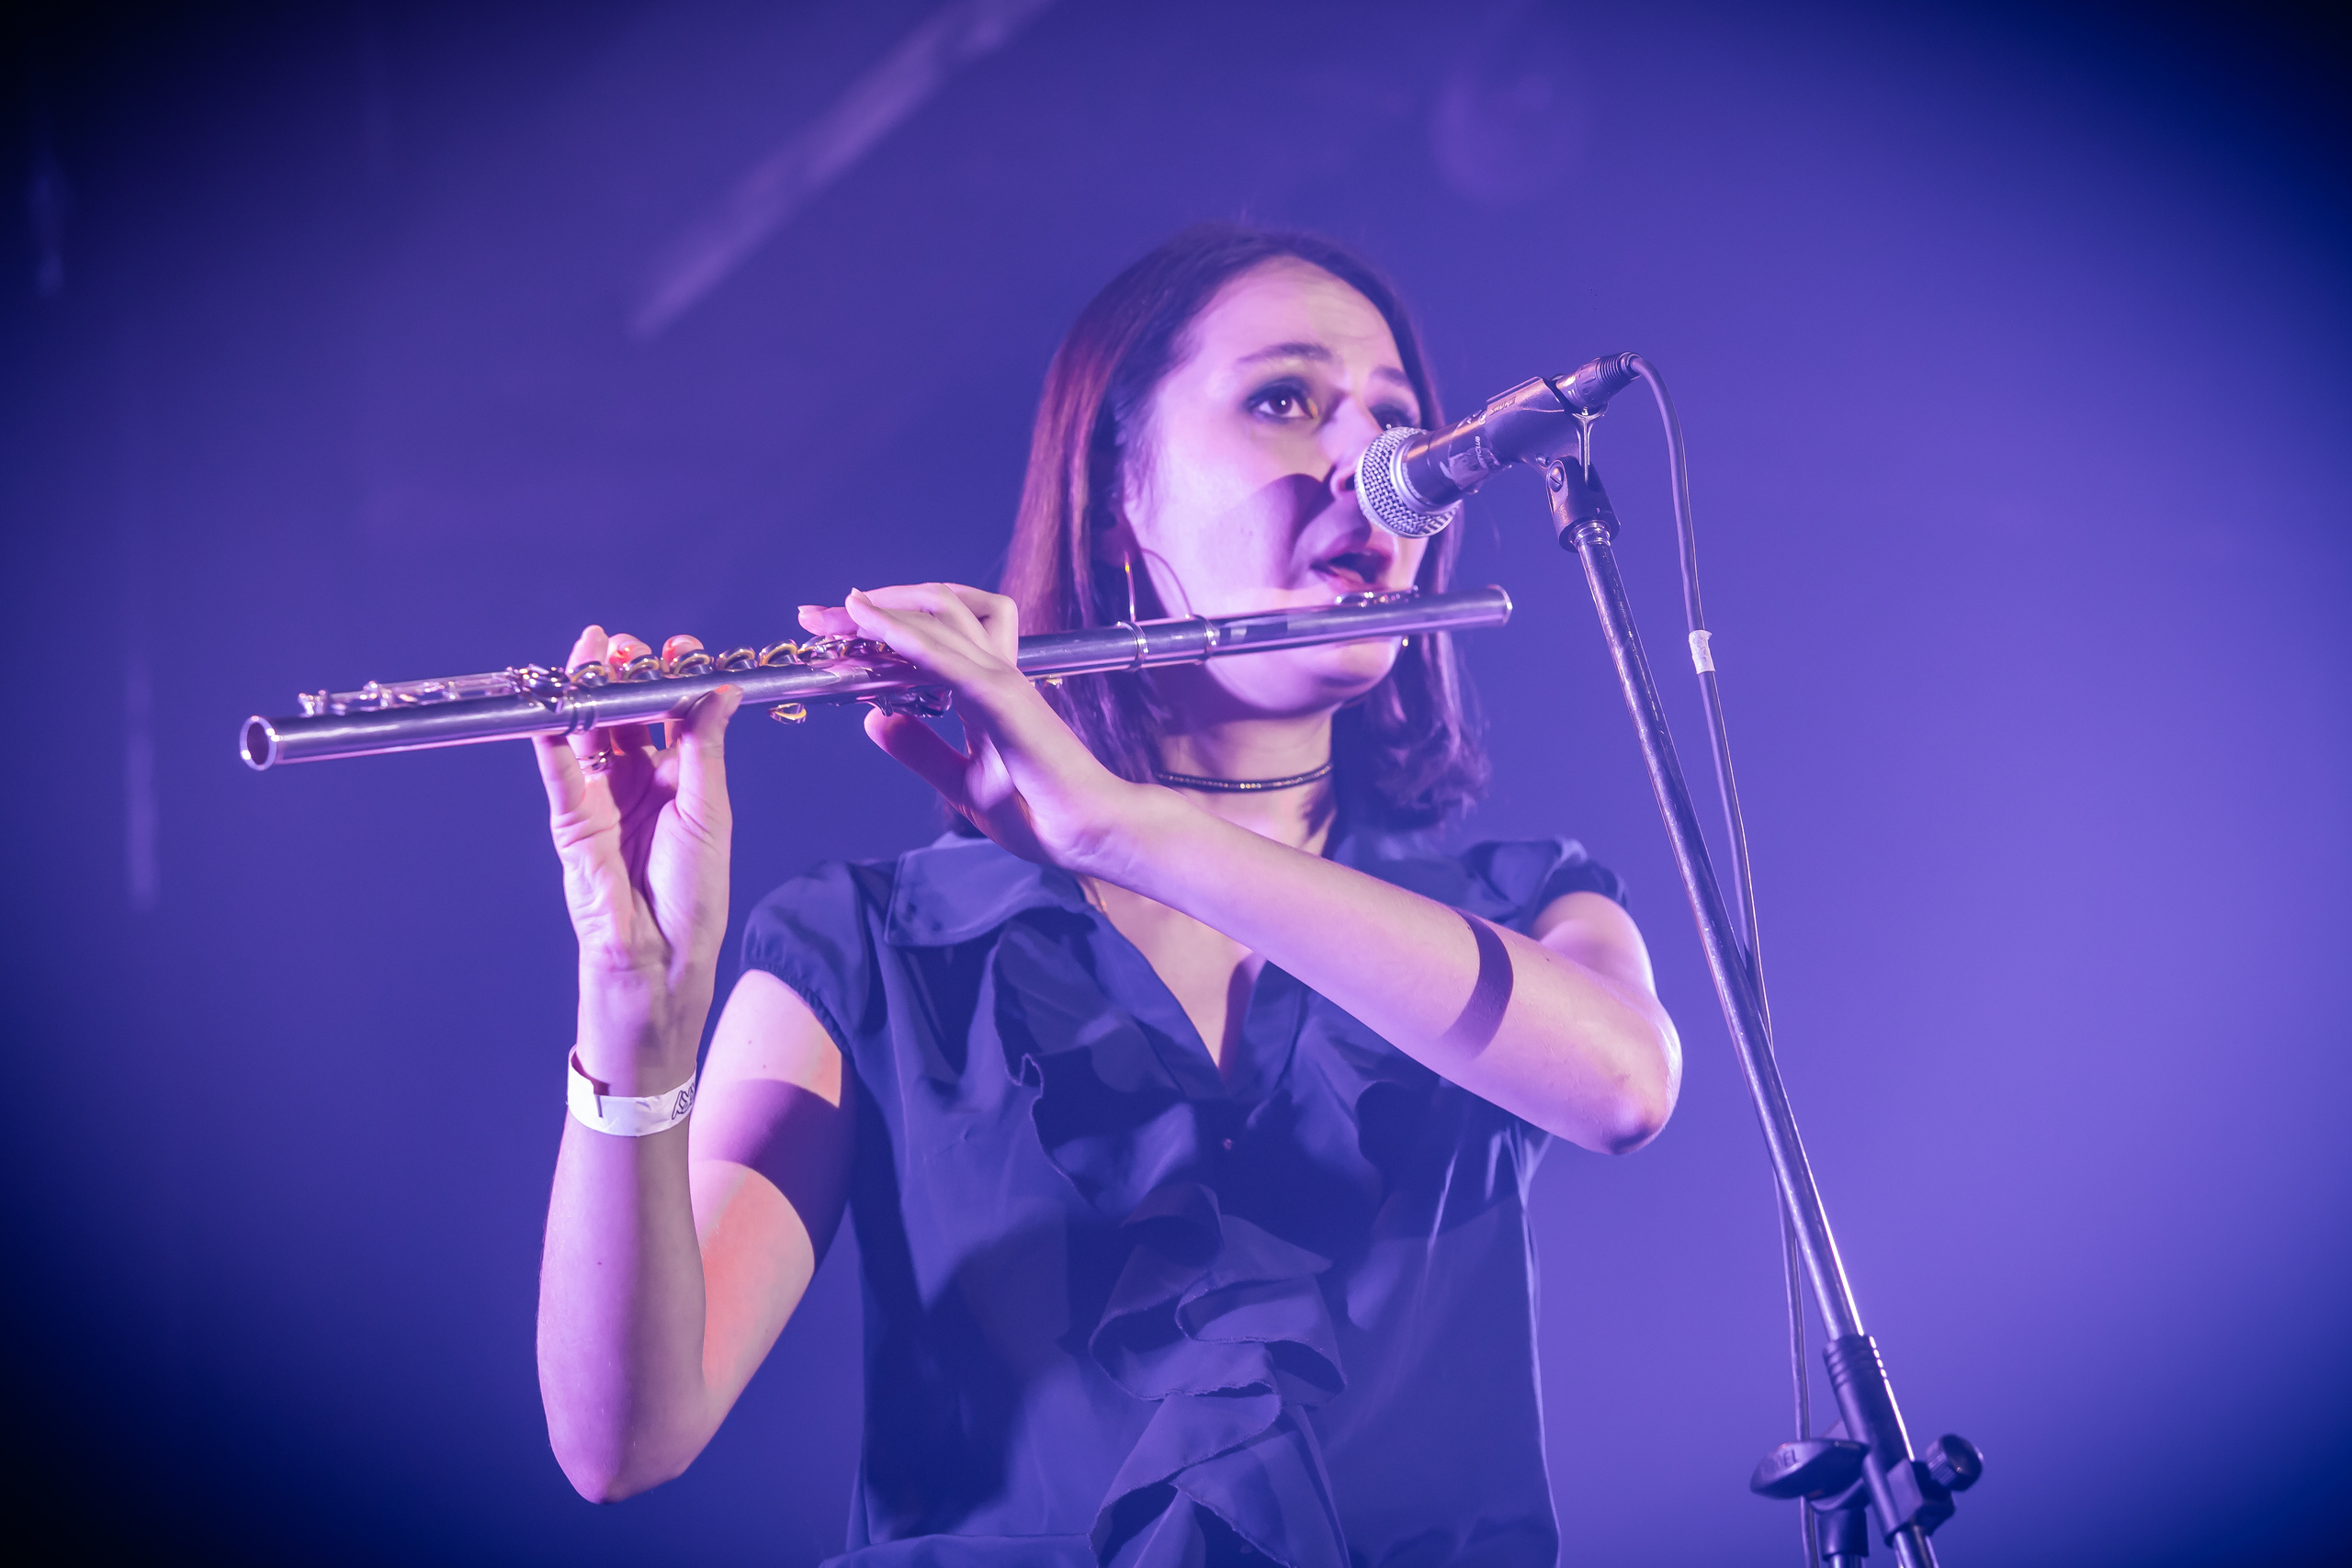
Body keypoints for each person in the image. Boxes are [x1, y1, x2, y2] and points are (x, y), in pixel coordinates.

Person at [532, 223, 1681, 1568]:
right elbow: (624, 1442)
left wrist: (1128, 833)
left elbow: (1623, 1088)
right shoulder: (866, 948)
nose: (1379, 471)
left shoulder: (1530, 908)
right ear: (1116, 497)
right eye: (1286, 399)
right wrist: (631, 1014)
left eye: (1396, 419)